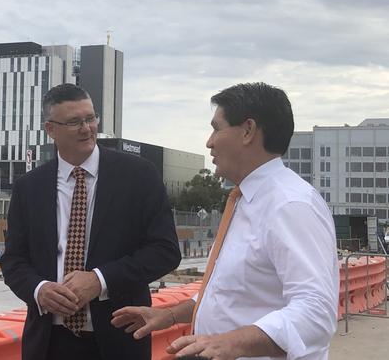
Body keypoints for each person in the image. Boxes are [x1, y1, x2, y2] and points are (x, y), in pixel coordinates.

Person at [112, 82, 339, 360]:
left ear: (248, 131)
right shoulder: (245, 200)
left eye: (217, 128)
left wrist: (231, 343)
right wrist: (170, 315)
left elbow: (316, 312)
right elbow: (229, 294)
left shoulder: (290, 205)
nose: (209, 141)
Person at [1, 83, 181, 360]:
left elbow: (165, 251)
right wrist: (39, 290)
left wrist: (100, 280)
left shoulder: (138, 175)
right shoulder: (29, 187)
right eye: (74, 122)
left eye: (91, 118)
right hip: (48, 343)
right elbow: (14, 260)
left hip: (119, 340)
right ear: (51, 129)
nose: (87, 128)